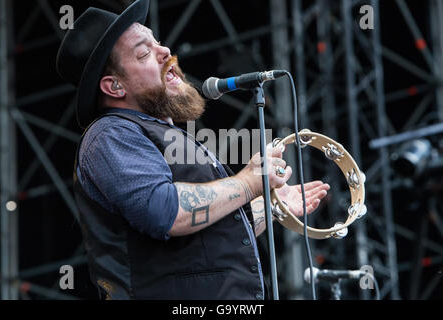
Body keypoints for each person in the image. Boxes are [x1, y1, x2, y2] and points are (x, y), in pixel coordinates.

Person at [56, 0, 329, 300]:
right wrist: (248, 182)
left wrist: (274, 206)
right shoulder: (110, 133)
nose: (165, 52)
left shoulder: (168, 135)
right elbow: (166, 211)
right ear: (115, 87)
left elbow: (209, 227)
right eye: (145, 52)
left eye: (157, 42)